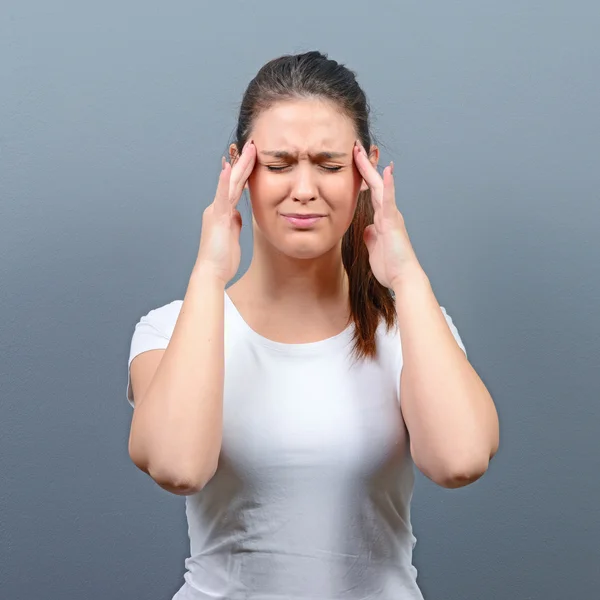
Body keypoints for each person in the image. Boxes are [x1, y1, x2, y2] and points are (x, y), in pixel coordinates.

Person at [125, 50, 500, 600]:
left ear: (364, 169)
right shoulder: (170, 330)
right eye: (279, 165)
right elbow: (178, 467)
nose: (304, 189)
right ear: (238, 169)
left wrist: (408, 276)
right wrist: (208, 272)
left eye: (328, 165)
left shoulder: (413, 326)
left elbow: (459, 460)